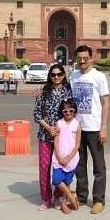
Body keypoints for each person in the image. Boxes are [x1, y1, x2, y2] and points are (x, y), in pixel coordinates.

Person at [70, 45, 110, 214]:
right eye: (79, 58)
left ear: (91, 58)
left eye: (85, 57)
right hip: (78, 128)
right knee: (79, 165)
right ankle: (81, 196)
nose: (82, 61)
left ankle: (99, 200)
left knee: (99, 166)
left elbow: (105, 103)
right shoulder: (73, 76)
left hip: (94, 128)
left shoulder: (99, 77)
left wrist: (104, 127)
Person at [32, 63, 72, 210]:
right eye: (53, 75)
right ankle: (46, 198)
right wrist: (49, 128)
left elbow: (71, 113)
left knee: (59, 168)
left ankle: (57, 196)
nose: (56, 77)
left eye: (59, 74)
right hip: (45, 135)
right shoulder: (43, 91)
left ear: (63, 75)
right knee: (44, 167)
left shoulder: (68, 92)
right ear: (49, 76)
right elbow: (37, 114)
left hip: (61, 137)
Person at [52, 98, 81, 214]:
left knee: (67, 182)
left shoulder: (77, 125)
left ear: (74, 111)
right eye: (65, 111)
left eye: (71, 111)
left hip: (72, 158)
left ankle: (64, 203)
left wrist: (69, 157)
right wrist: (59, 157)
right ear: (62, 112)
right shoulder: (58, 123)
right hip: (59, 157)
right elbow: (56, 141)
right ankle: (71, 196)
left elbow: (77, 144)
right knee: (56, 179)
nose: (68, 113)